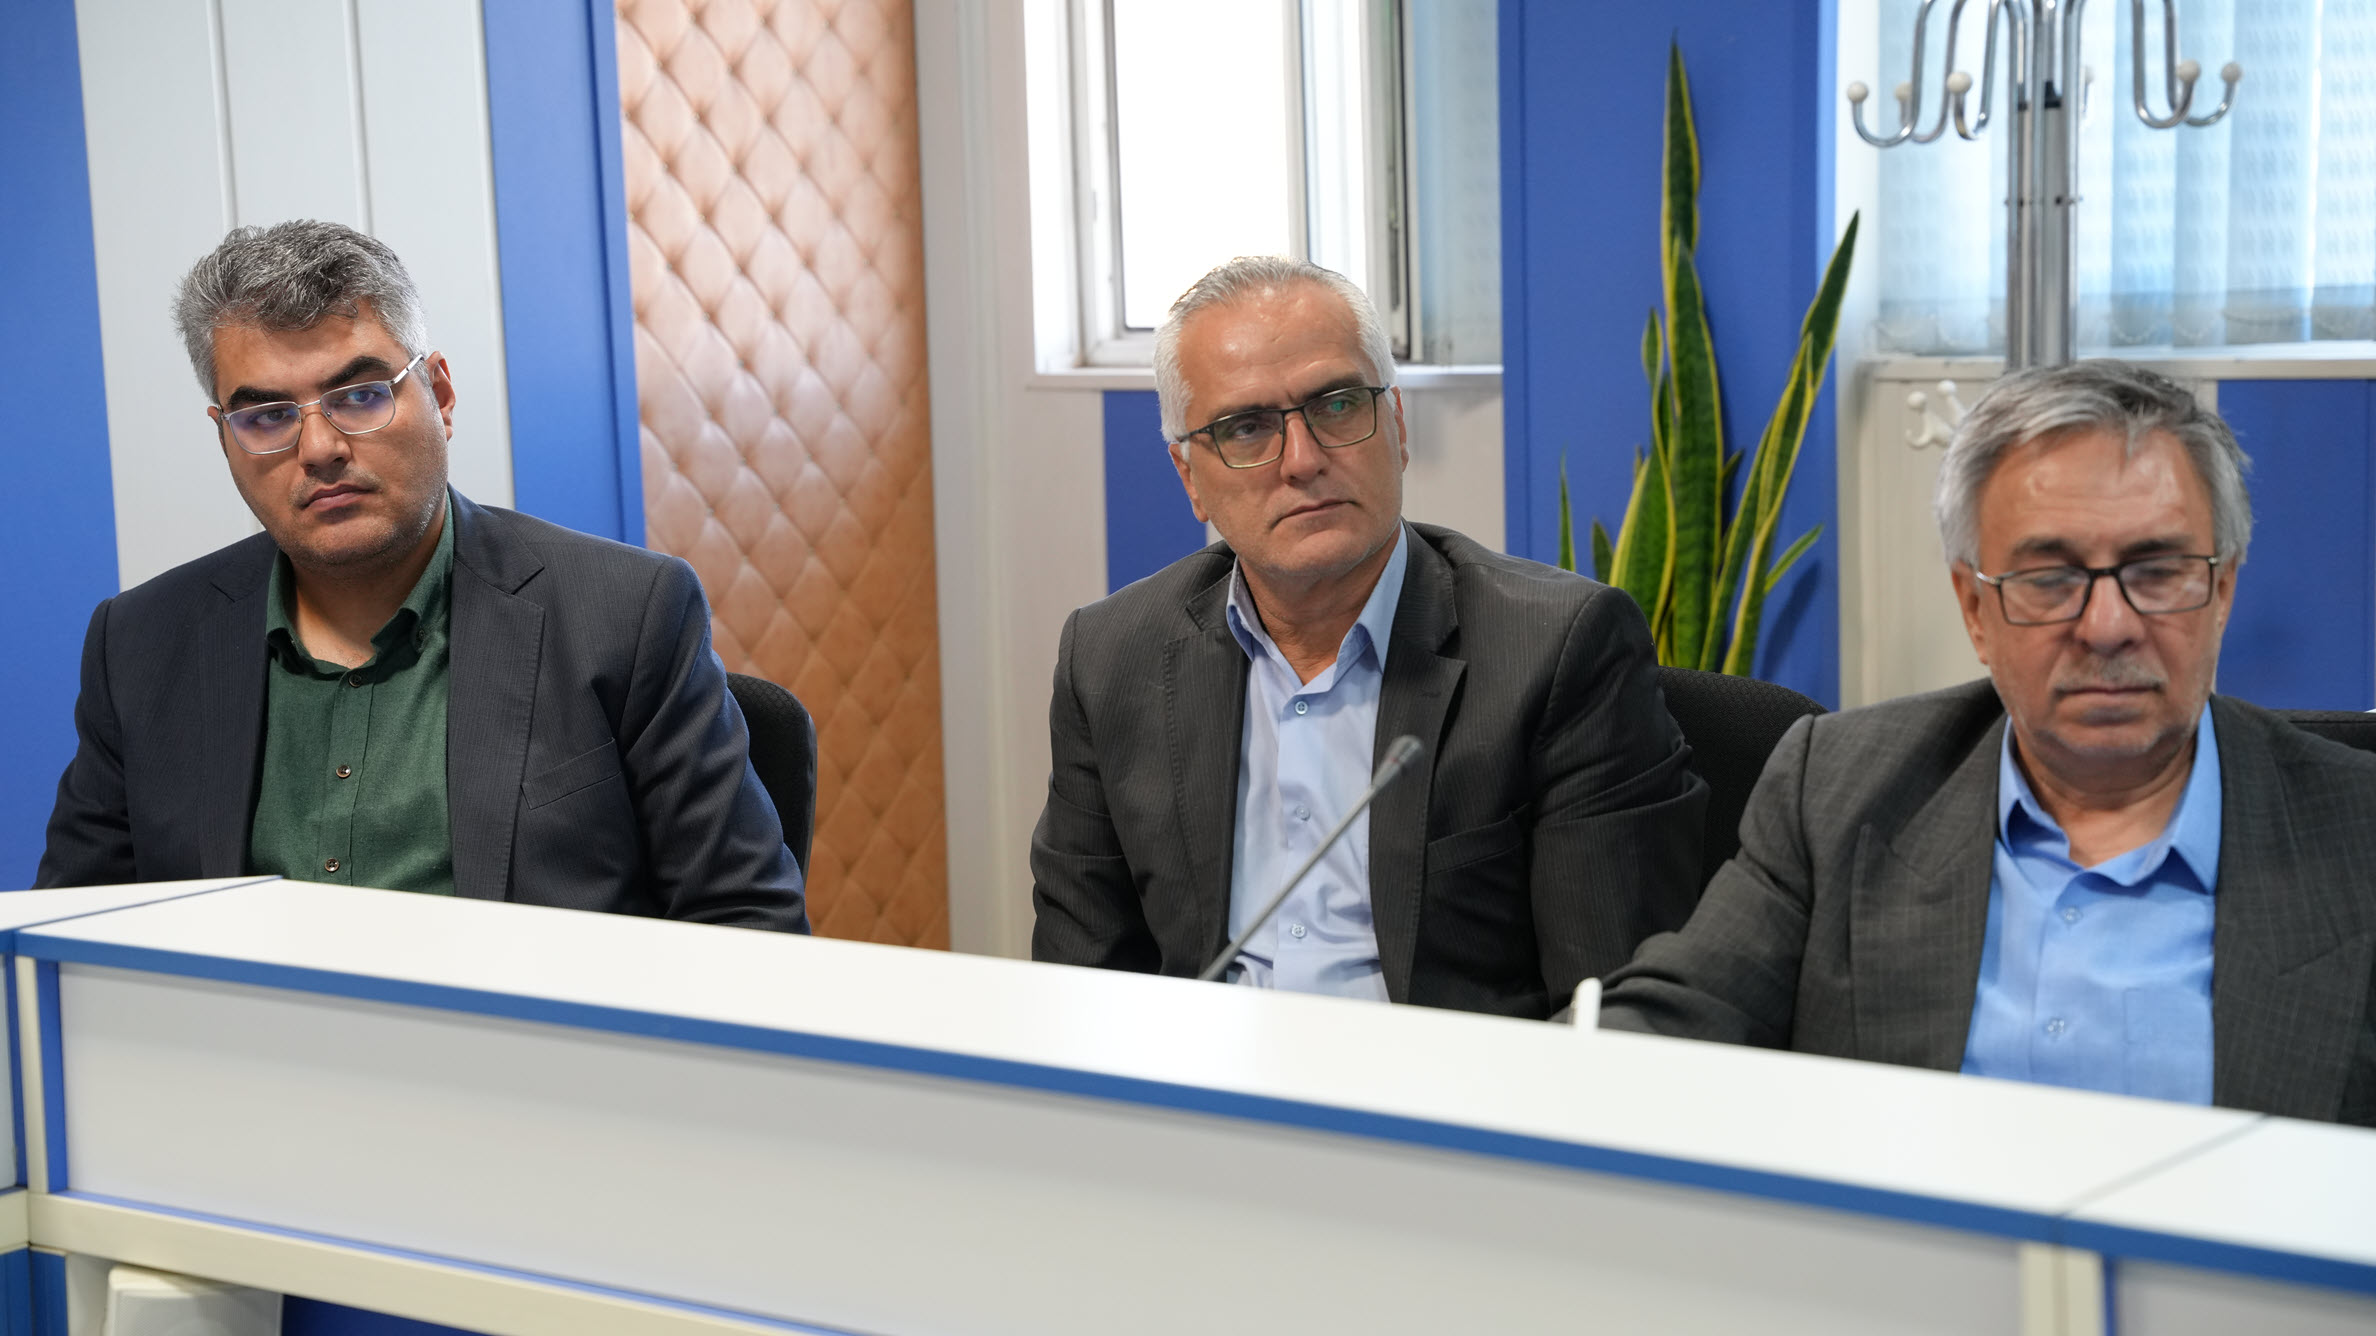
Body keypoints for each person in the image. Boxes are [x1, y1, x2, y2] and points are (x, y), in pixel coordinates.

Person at [1602, 359, 2376, 1125]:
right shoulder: (1836, 792)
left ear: (2222, 591)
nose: (2108, 627)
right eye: (2050, 580)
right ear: (1975, 609)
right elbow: (1663, 1034)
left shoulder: (2358, 833)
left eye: (2157, 571)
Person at [37, 220, 808, 931]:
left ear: (439, 394)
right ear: (225, 438)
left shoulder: (625, 615)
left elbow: (748, 923)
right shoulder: (140, 645)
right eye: (267, 416)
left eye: (360, 396)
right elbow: (68, 937)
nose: (320, 449)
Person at [1030, 257, 1706, 1018]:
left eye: (1338, 404)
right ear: (1191, 478)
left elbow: (1610, 1012)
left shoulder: (1555, 651)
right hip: (1206, 1080)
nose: (1303, 460)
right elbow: (1078, 988)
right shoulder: (1110, 659)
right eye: (1246, 428)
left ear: (1398, 427)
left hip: (1446, 1087)